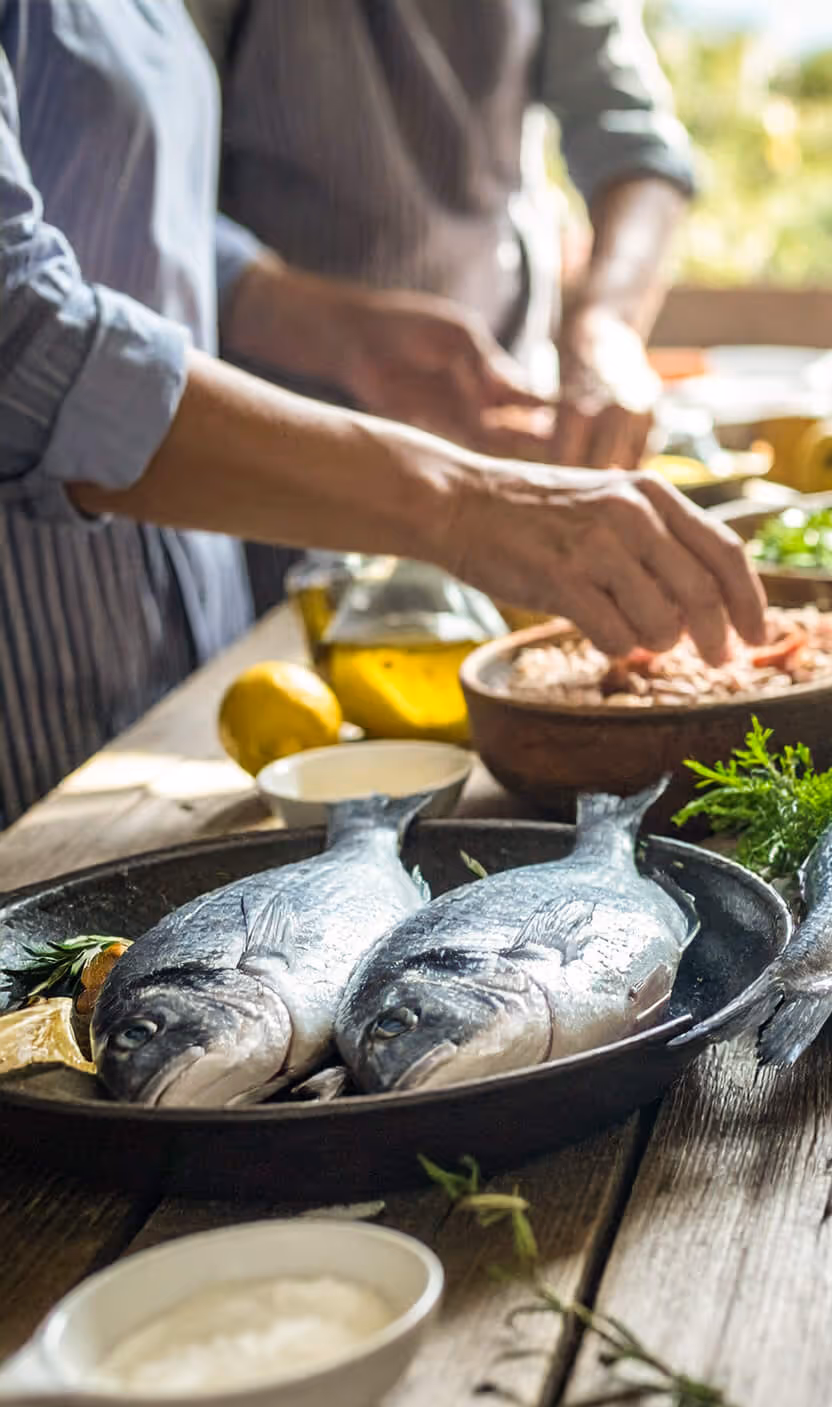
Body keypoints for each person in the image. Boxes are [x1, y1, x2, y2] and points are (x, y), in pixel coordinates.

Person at [0, 0, 761, 824]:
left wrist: (343, 333)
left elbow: (154, 215)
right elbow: (23, 339)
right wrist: (466, 506)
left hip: (172, 635)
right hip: (40, 669)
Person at [191, 0, 697, 473]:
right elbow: (149, 213)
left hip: (508, 416)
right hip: (271, 435)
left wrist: (606, 327)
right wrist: (342, 334)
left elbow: (635, 145)